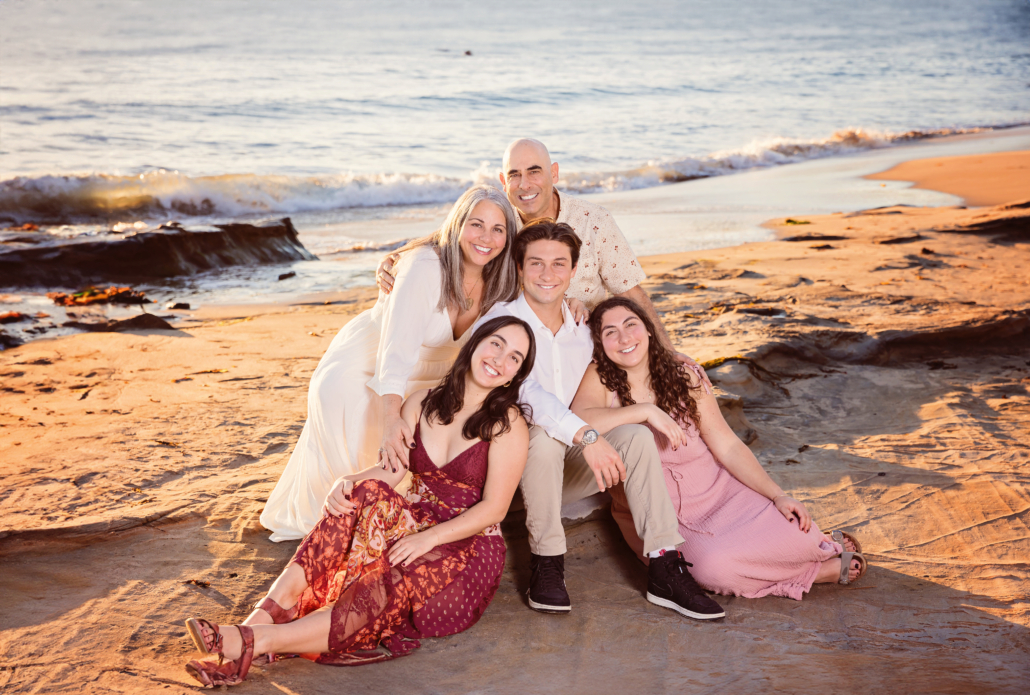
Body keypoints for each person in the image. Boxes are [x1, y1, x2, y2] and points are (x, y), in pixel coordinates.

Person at [183, 316, 536, 686]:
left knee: (393, 577)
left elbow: (493, 509)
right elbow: (394, 471)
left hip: (466, 548)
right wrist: (347, 481)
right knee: (362, 492)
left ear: (514, 376)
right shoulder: (423, 401)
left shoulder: (508, 424)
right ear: (476, 344)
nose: (500, 358)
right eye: (496, 343)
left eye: (514, 357)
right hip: (416, 522)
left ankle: (254, 640)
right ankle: (266, 614)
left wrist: (427, 539)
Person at [476, 220, 726, 620]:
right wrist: (587, 435)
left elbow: (627, 364)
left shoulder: (582, 325)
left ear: (573, 272)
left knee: (636, 437)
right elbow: (523, 391)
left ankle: (664, 565)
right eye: (536, 263)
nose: (547, 274)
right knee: (539, 435)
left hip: (571, 466)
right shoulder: (501, 321)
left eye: (559, 264)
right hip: (511, 465)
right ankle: (547, 562)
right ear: (519, 268)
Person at [260, 185, 521, 542]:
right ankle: (340, 519)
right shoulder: (424, 266)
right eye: (476, 225)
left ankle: (377, 516)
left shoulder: (503, 280)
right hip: (371, 359)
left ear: (509, 236)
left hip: (429, 372)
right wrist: (391, 419)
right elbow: (395, 353)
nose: (486, 238)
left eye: (498, 229)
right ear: (458, 224)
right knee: (355, 405)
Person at [572, 296, 868, 600]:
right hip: (666, 518)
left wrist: (778, 495)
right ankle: (816, 572)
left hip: (721, 494)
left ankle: (815, 549)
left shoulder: (683, 375)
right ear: (600, 345)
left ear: (648, 330)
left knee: (799, 538)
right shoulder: (601, 377)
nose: (623, 338)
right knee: (713, 570)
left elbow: (727, 445)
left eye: (630, 324)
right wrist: (645, 411)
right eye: (610, 332)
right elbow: (577, 419)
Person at [377, 138, 708, 373]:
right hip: (521, 355)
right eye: (515, 175)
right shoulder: (500, 220)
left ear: (555, 173)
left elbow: (632, 293)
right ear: (503, 181)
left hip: (589, 347)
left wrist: (668, 354)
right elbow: (451, 233)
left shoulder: (594, 220)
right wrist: (398, 256)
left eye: (534, 172)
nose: (525, 184)